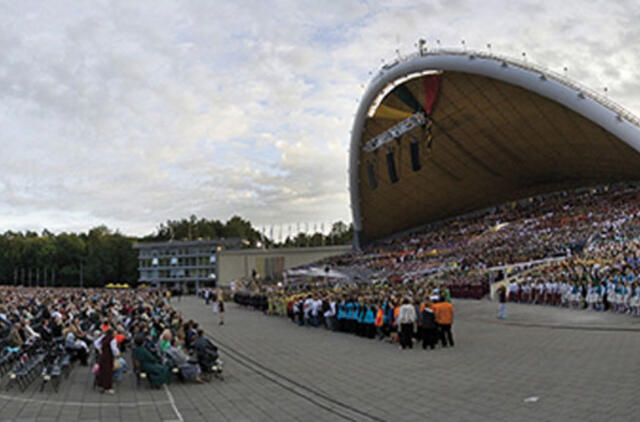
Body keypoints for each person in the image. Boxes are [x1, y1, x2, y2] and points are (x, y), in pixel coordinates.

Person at [96, 329, 116, 394]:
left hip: (103, 356)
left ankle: (102, 385)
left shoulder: (104, 338)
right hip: (108, 357)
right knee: (108, 372)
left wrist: (100, 350)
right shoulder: (112, 340)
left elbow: (96, 343)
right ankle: (107, 387)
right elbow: (114, 349)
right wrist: (117, 354)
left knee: (103, 371)